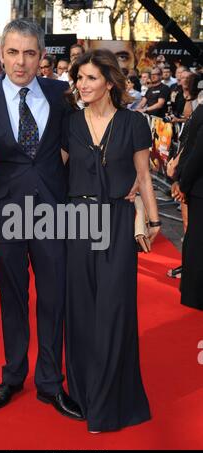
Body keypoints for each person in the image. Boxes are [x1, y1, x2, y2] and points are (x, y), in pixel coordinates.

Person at [0, 19, 83, 421]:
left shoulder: (62, 96)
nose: (21, 62)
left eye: (29, 53)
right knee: (12, 299)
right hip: (6, 213)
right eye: (13, 52)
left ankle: (50, 382)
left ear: (42, 56)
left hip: (52, 212)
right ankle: (12, 377)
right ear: (1, 54)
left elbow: (79, 147)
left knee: (54, 298)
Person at [61, 48, 161, 433]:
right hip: (77, 223)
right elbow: (56, 171)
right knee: (83, 311)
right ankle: (85, 396)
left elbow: (144, 176)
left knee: (114, 312)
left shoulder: (134, 123)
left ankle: (108, 403)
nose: (83, 85)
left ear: (109, 82)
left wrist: (152, 219)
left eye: (90, 78)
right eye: (79, 78)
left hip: (118, 223)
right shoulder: (70, 123)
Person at [177, 104, 203, 310]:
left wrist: (183, 183)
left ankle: (195, 295)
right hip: (196, 186)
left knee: (196, 241)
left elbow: (197, 153)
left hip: (198, 187)